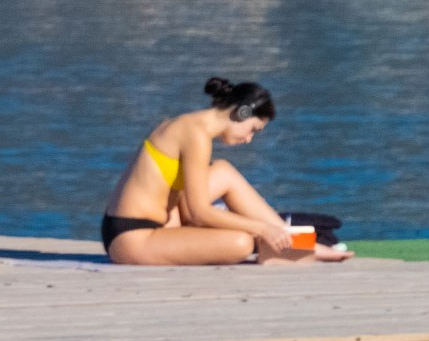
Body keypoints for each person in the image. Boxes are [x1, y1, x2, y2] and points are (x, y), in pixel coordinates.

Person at [102, 78, 353, 265]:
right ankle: (287, 241)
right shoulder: (196, 135)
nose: (249, 139)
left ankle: (294, 241)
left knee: (223, 171)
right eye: (253, 129)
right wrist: (261, 229)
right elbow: (199, 213)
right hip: (132, 237)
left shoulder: (190, 125)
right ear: (242, 113)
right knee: (241, 243)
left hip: (159, 224)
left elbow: (188, 204)